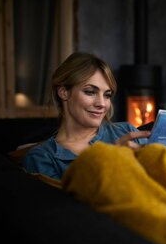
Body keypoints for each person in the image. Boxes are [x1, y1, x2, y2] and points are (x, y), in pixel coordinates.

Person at [23, 52, 151, 180]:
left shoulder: (127, 132)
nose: (101, 104)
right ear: (63, 92)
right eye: (90, 92)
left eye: (107, 95)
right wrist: (111, 161)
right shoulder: (41, 157)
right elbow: (63, 200)